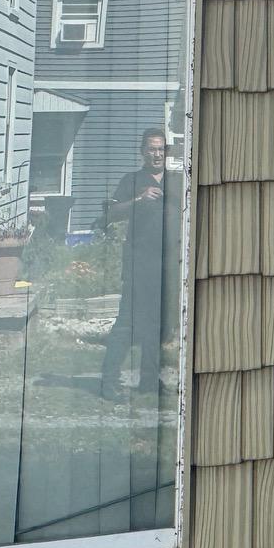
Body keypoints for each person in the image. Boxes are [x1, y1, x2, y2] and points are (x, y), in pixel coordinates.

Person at [97, 127, 182, 401]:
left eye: (161, 149)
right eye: (151, 149)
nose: (156, 154)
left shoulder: (178, 181)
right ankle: (109, 383)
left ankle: (149, 382)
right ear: (143, 152)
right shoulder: (132, 180)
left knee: (157, 326)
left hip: (168, 266)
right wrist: (138, 199)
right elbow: (111, 214)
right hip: (138, 264)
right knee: (127, 323)